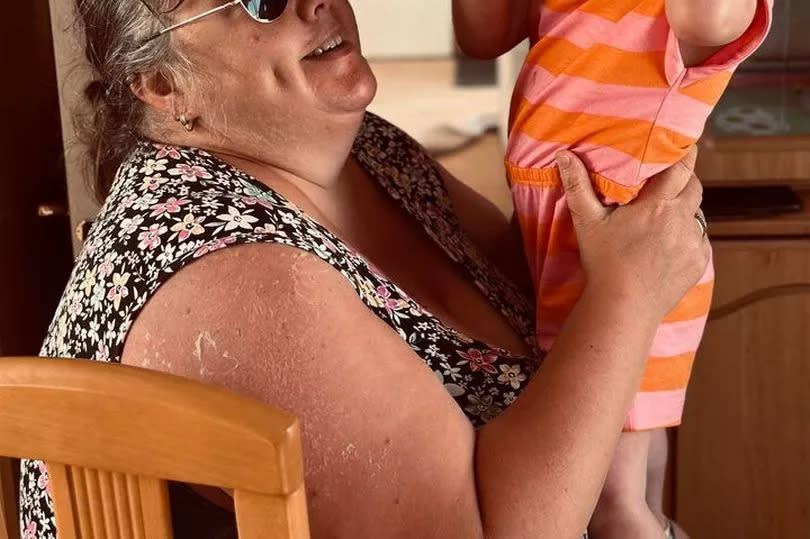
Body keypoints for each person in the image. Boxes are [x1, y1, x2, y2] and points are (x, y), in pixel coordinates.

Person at [19, 1, 710, 537]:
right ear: (162, 83)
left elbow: (549, 300)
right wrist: (628, 294)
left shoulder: (365, 154)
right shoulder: (230, 270)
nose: (318, 3)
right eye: (262, 0)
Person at [453, 0, 772, 536]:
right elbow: (484, 38)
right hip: (562, 239)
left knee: (612, 507)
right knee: (633, 480)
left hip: (625, 254)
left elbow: (711, 21)